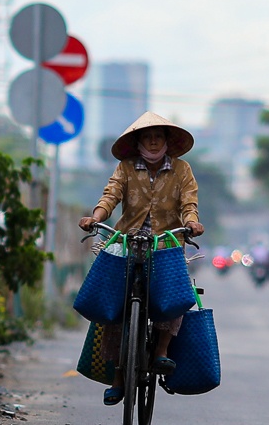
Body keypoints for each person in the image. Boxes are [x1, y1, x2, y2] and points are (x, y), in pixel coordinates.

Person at [77, 111, 204, 404]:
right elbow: (110, 197)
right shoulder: (124, 169)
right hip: (127, 241)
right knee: (115, 303)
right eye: (148, 137)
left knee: (175, 294)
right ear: (138, 142)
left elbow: (189, 203)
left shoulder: (183, 170)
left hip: (167, 243)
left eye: (158, 136)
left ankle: (161, 350)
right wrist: (94, 217)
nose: (154, 141)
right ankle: (119, 377)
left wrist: (192, 222)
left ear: (167, 141)